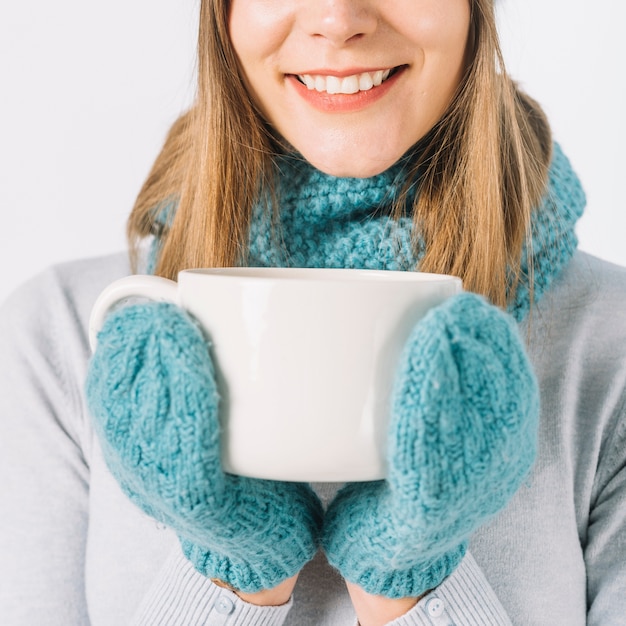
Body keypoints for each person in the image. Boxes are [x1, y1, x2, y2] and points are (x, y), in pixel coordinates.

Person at [1, 0, 625, 624]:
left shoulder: (612, 345)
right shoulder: (58, 340)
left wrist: (404, 576)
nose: (337, 17)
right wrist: (236, 568)